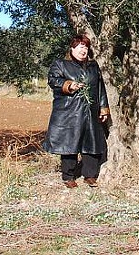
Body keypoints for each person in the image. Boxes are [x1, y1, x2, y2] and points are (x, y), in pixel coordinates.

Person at [42, 35, 110, 188]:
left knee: (91, 143)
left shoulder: (93, 66)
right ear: (72, 49)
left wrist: (103, 108)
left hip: (89, 111)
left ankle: (90, 176)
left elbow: (101, 88)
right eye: (80, 47)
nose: (83, 50)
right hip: (69, 112)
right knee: (69, 144)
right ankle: (68, 177)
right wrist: (67, 84)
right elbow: (53, 80)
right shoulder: (61, 64)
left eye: (85, 47)